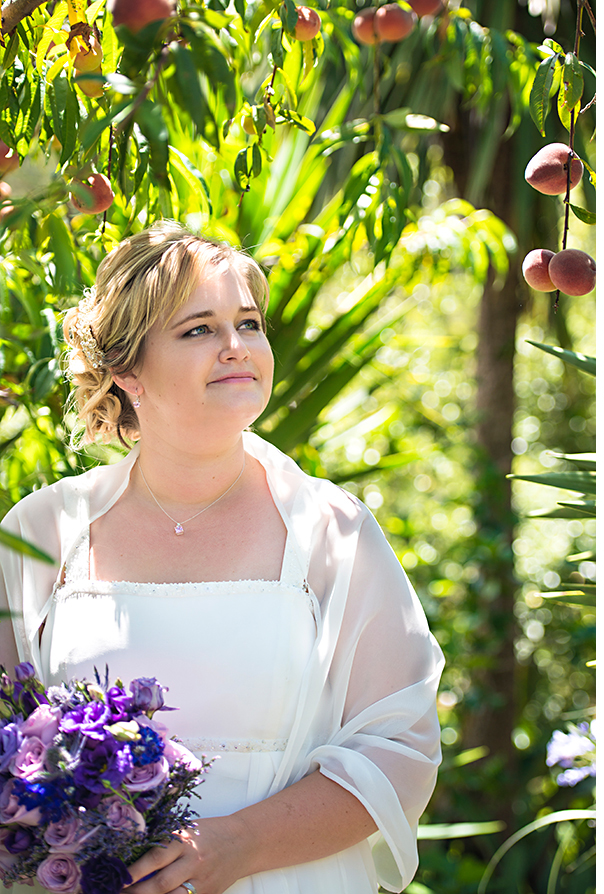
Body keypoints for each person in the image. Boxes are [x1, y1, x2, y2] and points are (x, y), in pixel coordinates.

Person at [0, 221, 444, 894]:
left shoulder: (333, 531)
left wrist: (239, 844)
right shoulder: (44, 531)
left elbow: (401, 748)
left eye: (249, 324)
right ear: (126, 371)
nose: (237, 346)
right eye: (199, 330)